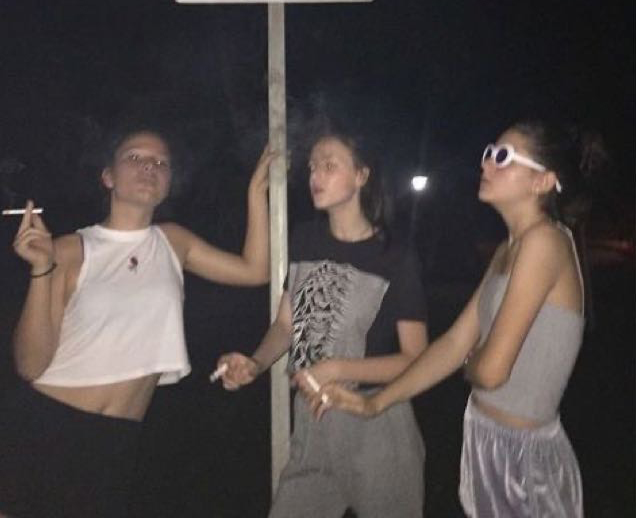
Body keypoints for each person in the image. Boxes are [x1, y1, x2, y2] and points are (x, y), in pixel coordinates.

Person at [314, 120, 603, 518]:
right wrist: (375, 403)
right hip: (488, 440)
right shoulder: (508, 249)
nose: (486, 163)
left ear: (542, 181)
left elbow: (491, 371)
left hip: (526, 460)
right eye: (488, 153)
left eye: (503, 157)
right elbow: (453, 343)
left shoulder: (545, 241)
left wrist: (473, 360)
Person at [0, 126, 272, 518]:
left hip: (117, 442)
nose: (149, 167)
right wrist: (41, 268)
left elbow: (254, 270)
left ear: (168, 183)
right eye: (135, 157)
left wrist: (256, 193)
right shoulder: (69, 249)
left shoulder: (174, 242)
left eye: (161, 162)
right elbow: (30, 365)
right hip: (46, 427)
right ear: (108, 176)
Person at [218, 128, 429, 518]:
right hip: (312, 423)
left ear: (361, 175)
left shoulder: (394, 256)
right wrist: (256, 363)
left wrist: (337, 368)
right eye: (313, 166)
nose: (316, 175)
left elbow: (416, 359)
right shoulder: (305, 239)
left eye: (330, 166)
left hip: (376, 424)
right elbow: (286, 325)